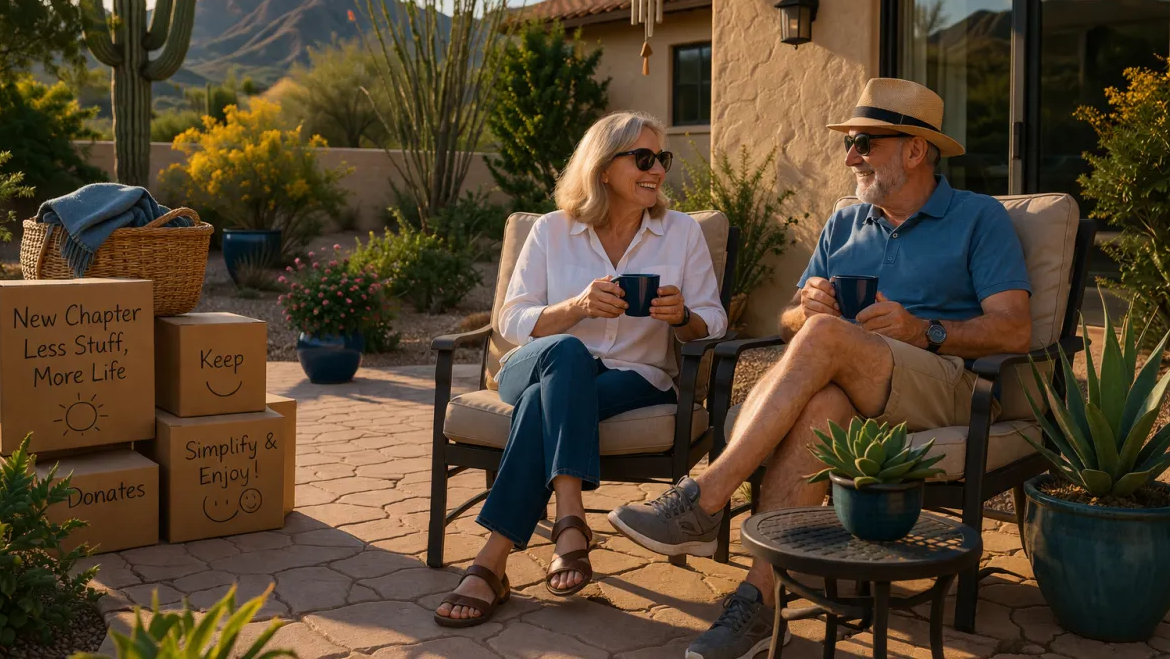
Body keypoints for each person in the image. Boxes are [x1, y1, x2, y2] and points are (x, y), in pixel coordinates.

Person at [608, 78, 1033, 659]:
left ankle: (706, 497)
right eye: (849, 144)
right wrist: (802, 309)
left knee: (827, 335)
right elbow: (788, 323)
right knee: (822, 398)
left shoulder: (978, 218)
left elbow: (1014, 327)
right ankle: (757, 605)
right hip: (852, 386)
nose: (850, 156)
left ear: (914, 150)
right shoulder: (845, 223)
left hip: (948, 383)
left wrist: (924, 330)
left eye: (864, 142)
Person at [435, 111, 728, 628]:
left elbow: (715, 319)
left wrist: (683, 316)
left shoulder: (680, 232)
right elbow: (512, 318)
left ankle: (493, 561)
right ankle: (570, 508)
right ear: (602, 166)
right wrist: (575, 308)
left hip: (634, 376)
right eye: (642, 158)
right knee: (567, 353)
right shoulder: (553, 229)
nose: (657, 169)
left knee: (539, 407)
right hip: (532, 364)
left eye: (662, 158)